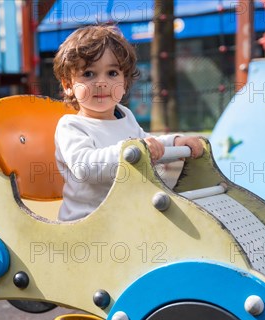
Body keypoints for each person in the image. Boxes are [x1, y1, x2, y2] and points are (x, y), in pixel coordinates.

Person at [54, 24, 203, 221]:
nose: (102, 82)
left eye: (112, 73)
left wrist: (174, 143)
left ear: (124, 82)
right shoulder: (71, 126)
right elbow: (86, 168)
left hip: (125, 217)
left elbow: (148, 145)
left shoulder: (124, 115)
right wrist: (132, 150)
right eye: (88, 74)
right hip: (88, 222)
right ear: (68, 85)